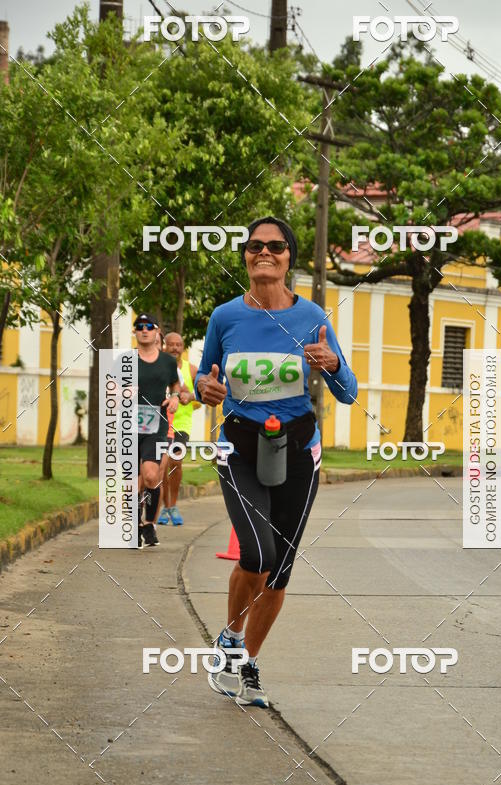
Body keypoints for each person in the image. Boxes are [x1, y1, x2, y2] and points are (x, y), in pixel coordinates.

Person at [195, 216, 357, 707]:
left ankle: (247, 664)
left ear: (290, 258)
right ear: (245, 256)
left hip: (298, 448)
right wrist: (206, 389)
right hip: (239, 446)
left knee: (280, 568)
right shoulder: (225, 317)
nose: (264, 252)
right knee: (258, 553)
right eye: (254, 245)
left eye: (276, 246)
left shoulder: (312, 317)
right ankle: (229, 638)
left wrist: (332, 364)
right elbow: (204, 378)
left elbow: (347, 392)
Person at [133, 312, 180, 548]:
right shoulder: (126, 359)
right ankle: (134, 526)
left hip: (156, 426)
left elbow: (175, 385)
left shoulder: (168, 362)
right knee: (133, 481)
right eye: (139, 326)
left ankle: (149, 524)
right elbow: (111, 387)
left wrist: (175, 397)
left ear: (157, 331)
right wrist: (119, 393)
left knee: (151, 476)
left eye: (149, 326)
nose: (144, 330)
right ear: (135, 331)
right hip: (128, 425)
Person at [157, 332, 198, 526]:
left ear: (183, 347)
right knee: (163, 465)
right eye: (171, 344)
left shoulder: (192, 370)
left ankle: (173, 504)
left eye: (178, 344)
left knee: (176, 461)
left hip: (182, 423)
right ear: (164, 346)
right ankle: (166, 506)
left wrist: (190, 396)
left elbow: (201, 393)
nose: (175, 348)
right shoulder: (158, 365)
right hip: (162, 422)